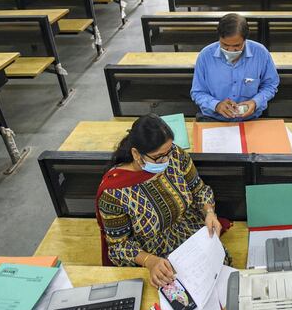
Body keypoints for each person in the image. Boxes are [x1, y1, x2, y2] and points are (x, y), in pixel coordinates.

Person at [95, 114, 231, 287]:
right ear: (136, 153)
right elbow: (118, 246)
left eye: (168, 152)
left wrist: (209, 212)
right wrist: (150, 261)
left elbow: (199, 189)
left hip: (190, 234)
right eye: (159, 157)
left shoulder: (175, 155)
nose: (166, 160)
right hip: (153, 254)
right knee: (181, 292)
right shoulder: (114, 192)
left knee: (218, 275)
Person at [190, 13, 279, 121]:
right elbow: (197, 92)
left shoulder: (261, 53)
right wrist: (216, 105)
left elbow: (270, 85)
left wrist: (255, 102)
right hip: (214, 118)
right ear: (219, 38)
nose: (231, 51)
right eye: (225, 45)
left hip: (250, 119)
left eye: (237, 46)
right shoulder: (205, 56)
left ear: (245, 40)